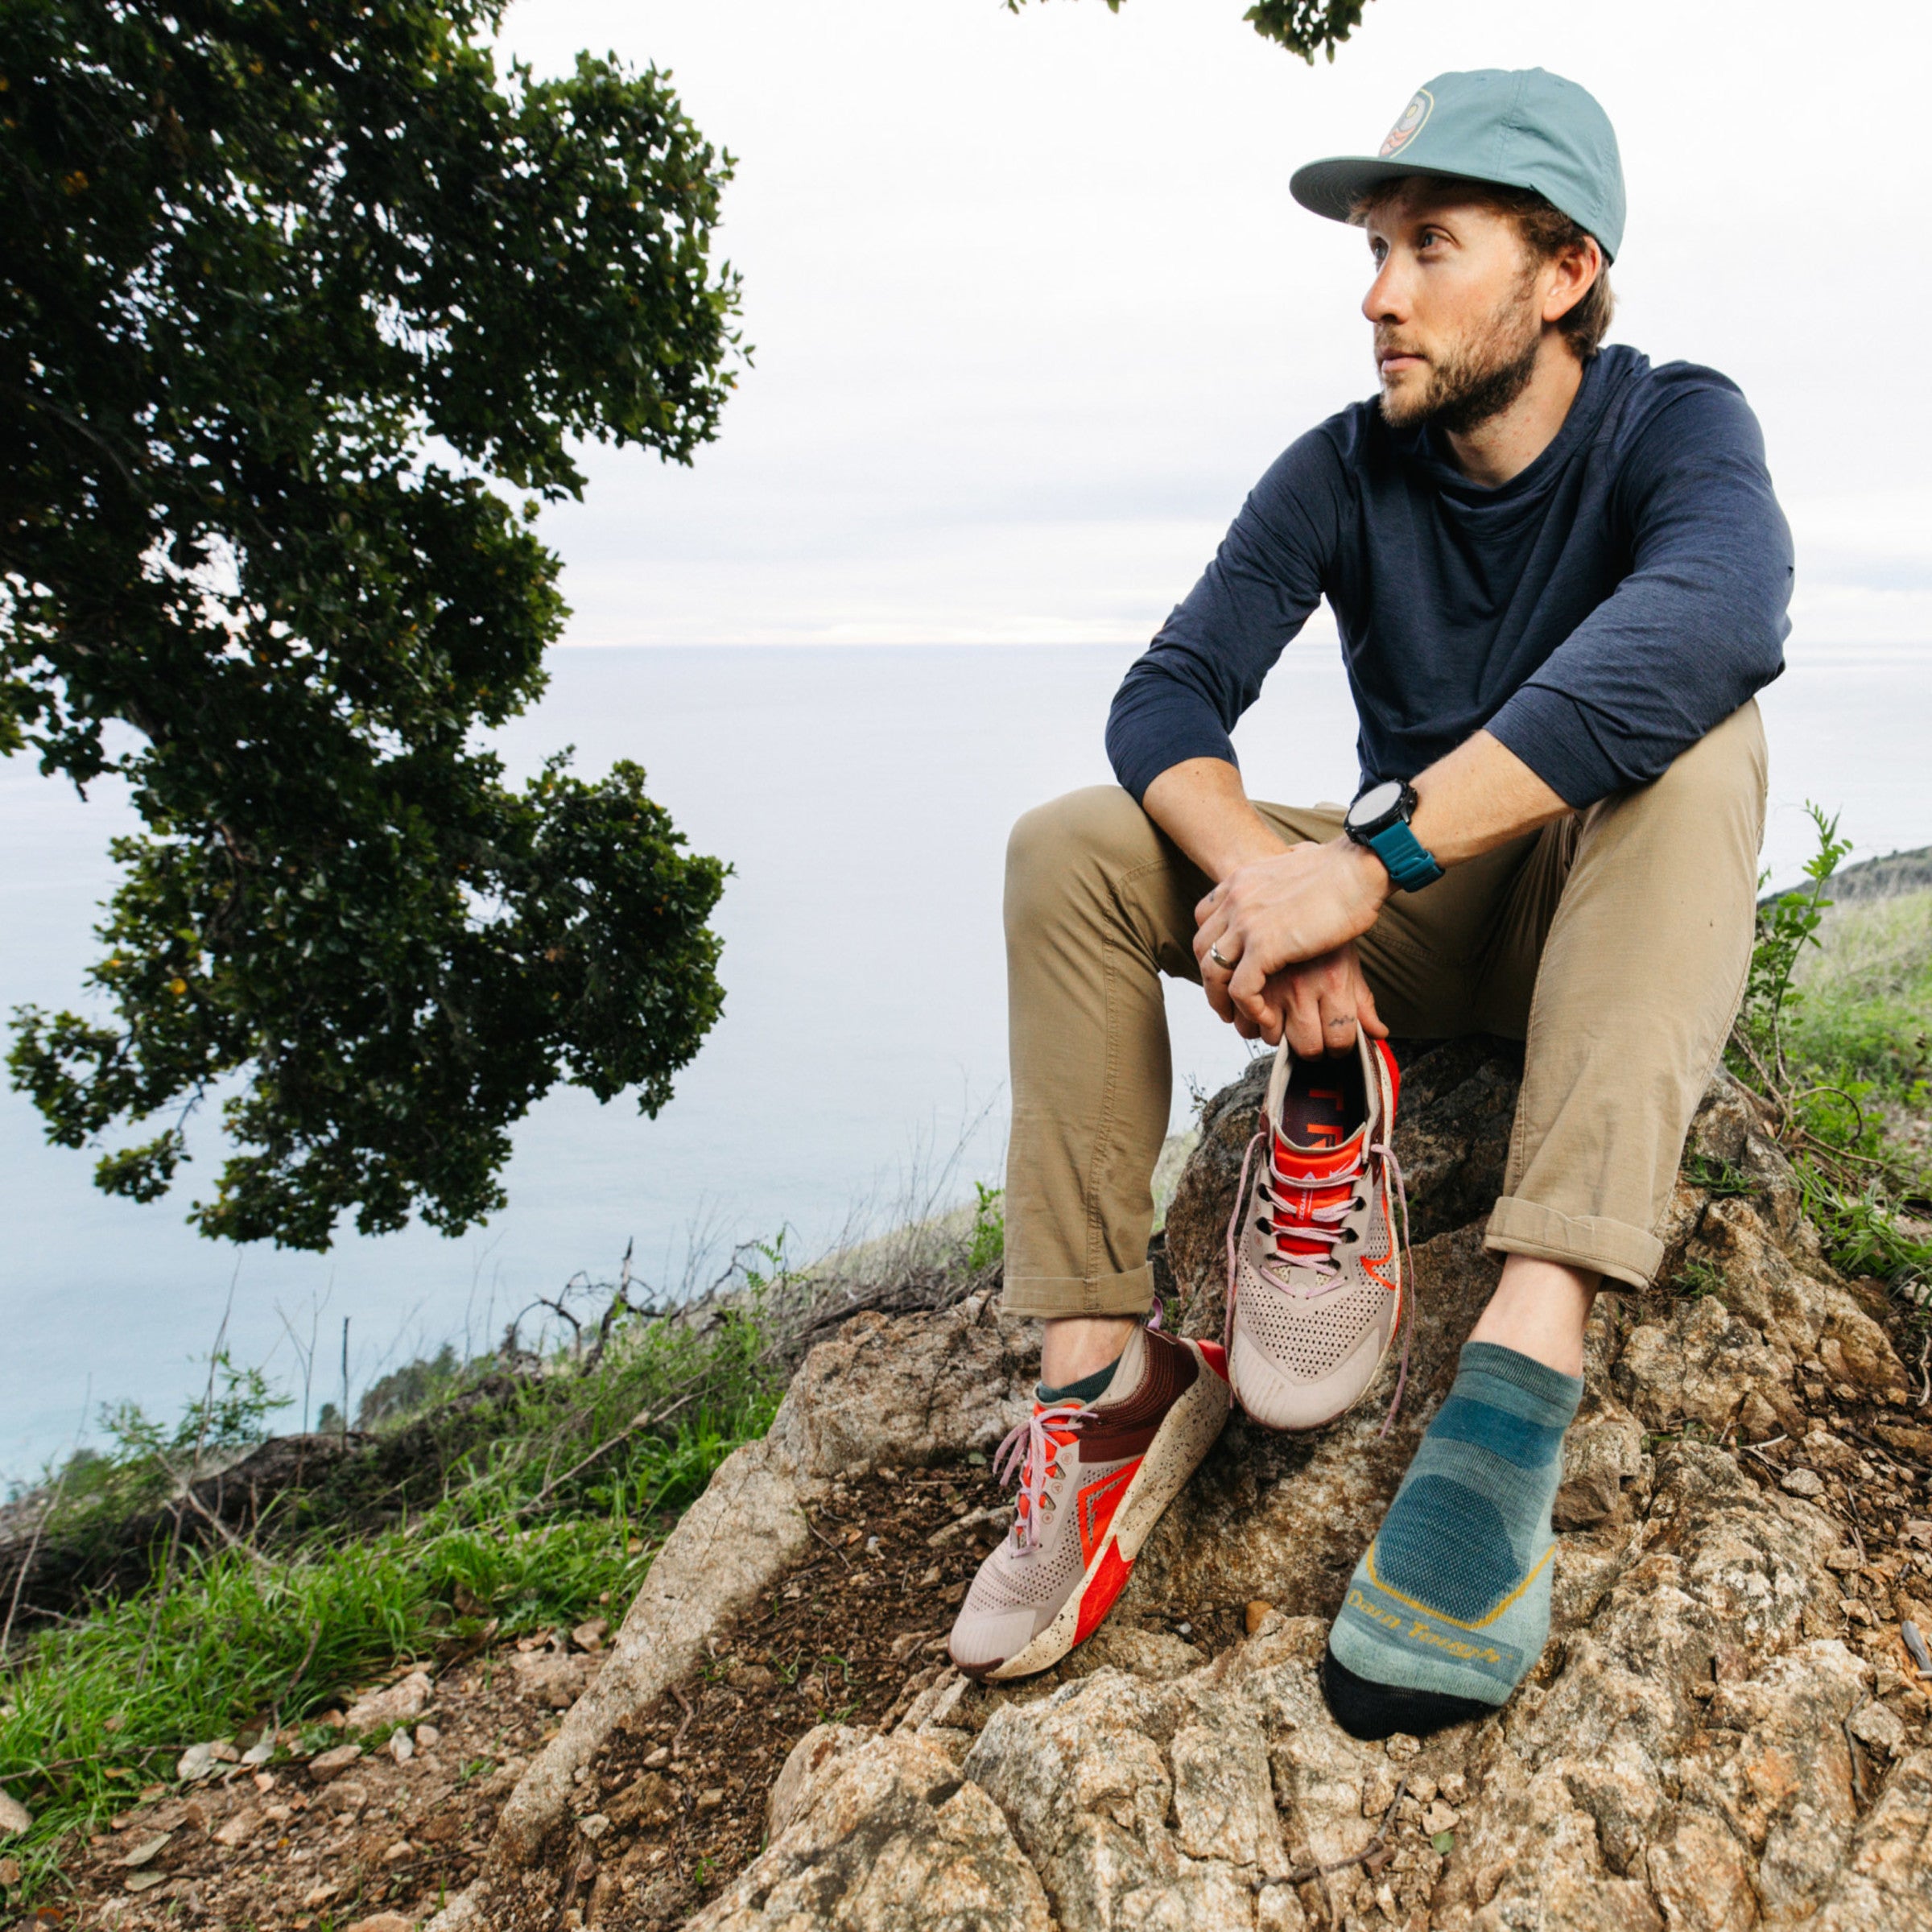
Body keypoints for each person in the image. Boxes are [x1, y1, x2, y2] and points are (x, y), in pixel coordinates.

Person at [947, 67, 1791, 1740]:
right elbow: (1167, 698)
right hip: (1410, 912)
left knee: (1703, 744)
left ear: (1562, 271)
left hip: (1585, 911)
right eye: (1373, 250)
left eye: (1429, 247)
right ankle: (1104, 1387)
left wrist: (1367, 860)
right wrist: (1279, 878)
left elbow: (1717, 615)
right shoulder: (1341, 468)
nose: (1378, 294)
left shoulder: (1675, 423)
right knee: (1068, 842)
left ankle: (1520, 1374)